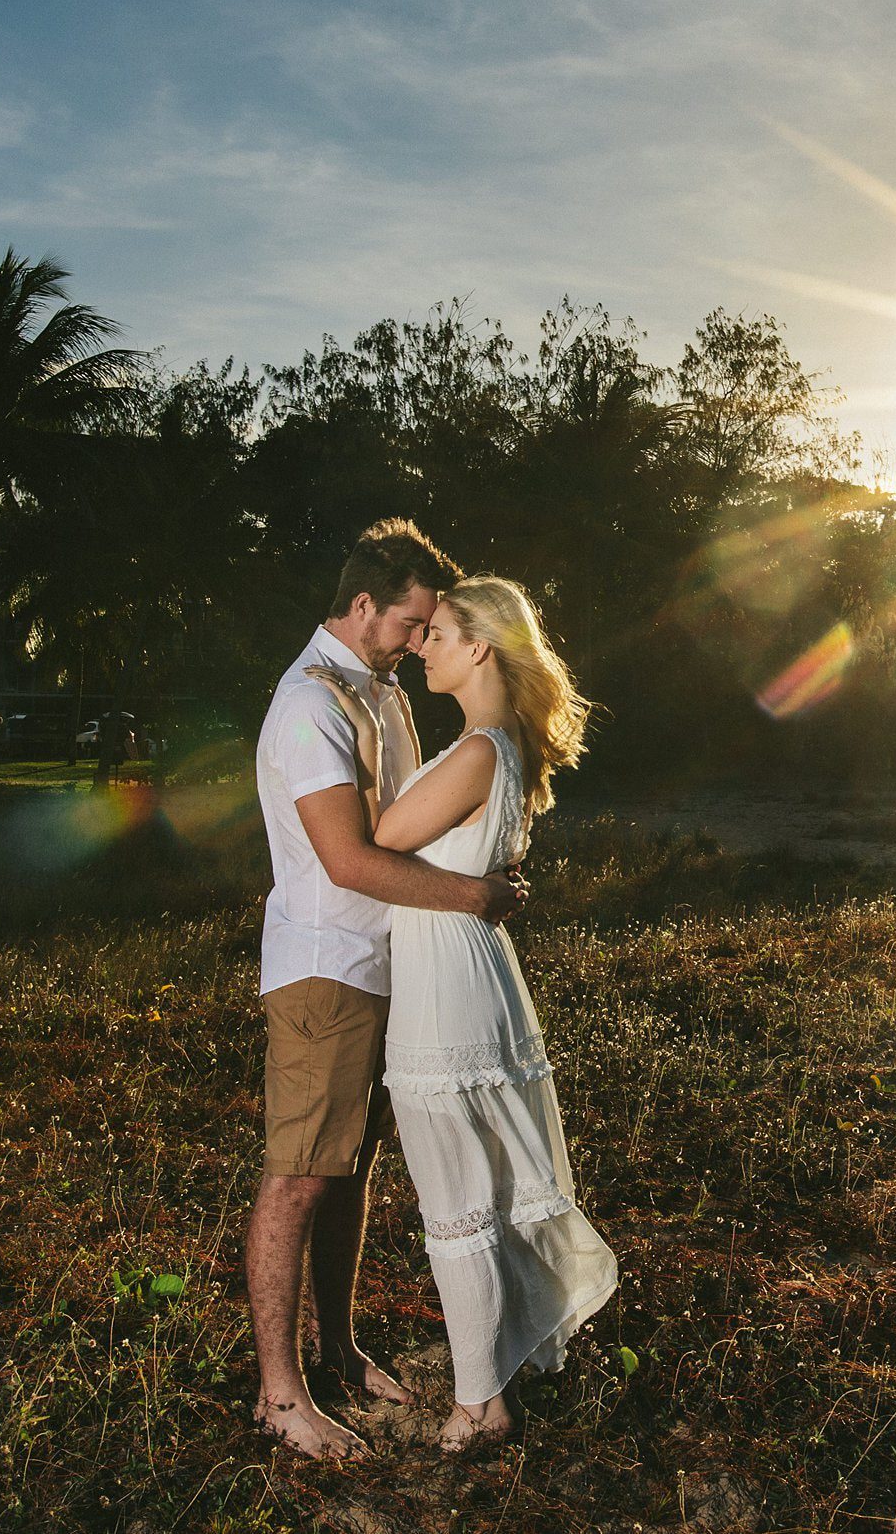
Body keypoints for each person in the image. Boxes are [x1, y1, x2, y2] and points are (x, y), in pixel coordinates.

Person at [248, 519, 526, 1462]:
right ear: (362, 604)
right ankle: (281, 1398)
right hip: (326, 966)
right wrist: (474, 896)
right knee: (299, 1173)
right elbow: (347, 857)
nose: (417, 639)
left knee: (351, 1167)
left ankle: (336, 1350)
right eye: (409, 622)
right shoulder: (308, 705)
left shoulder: (382, 693)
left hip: (385, 967)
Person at [369, 575, 617, 1453]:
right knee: (470, 1187)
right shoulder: (497, 744)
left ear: (479, 646)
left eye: (436, 634)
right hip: (469, 969)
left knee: (456, 1196)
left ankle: (480, 1403)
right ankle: (487, 1385)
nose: (421, 645)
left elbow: (381, 838)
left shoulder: (478, 750)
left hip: (448, 982)